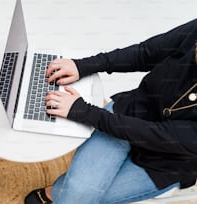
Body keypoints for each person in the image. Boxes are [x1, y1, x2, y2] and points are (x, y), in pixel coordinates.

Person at [25, 18, 197, 204]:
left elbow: (156, 134)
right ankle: (64, 191)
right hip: (128, 112)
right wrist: (84, 65)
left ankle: (56, 192)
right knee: (79, 193)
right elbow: (145, 53)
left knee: (76, 197)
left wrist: (85, 112)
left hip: (164, 164)